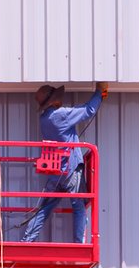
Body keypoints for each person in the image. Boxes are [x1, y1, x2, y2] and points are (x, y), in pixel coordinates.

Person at [22, 81, 107, 243]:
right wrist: (99, 92)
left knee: (44, 208)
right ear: (53, 101)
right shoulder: (60, 115)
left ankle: (27, 239)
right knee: (79, 205)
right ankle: (78, 242)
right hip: (70, 169)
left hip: (55, 172)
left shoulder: (44, 118)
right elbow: (88, 110)